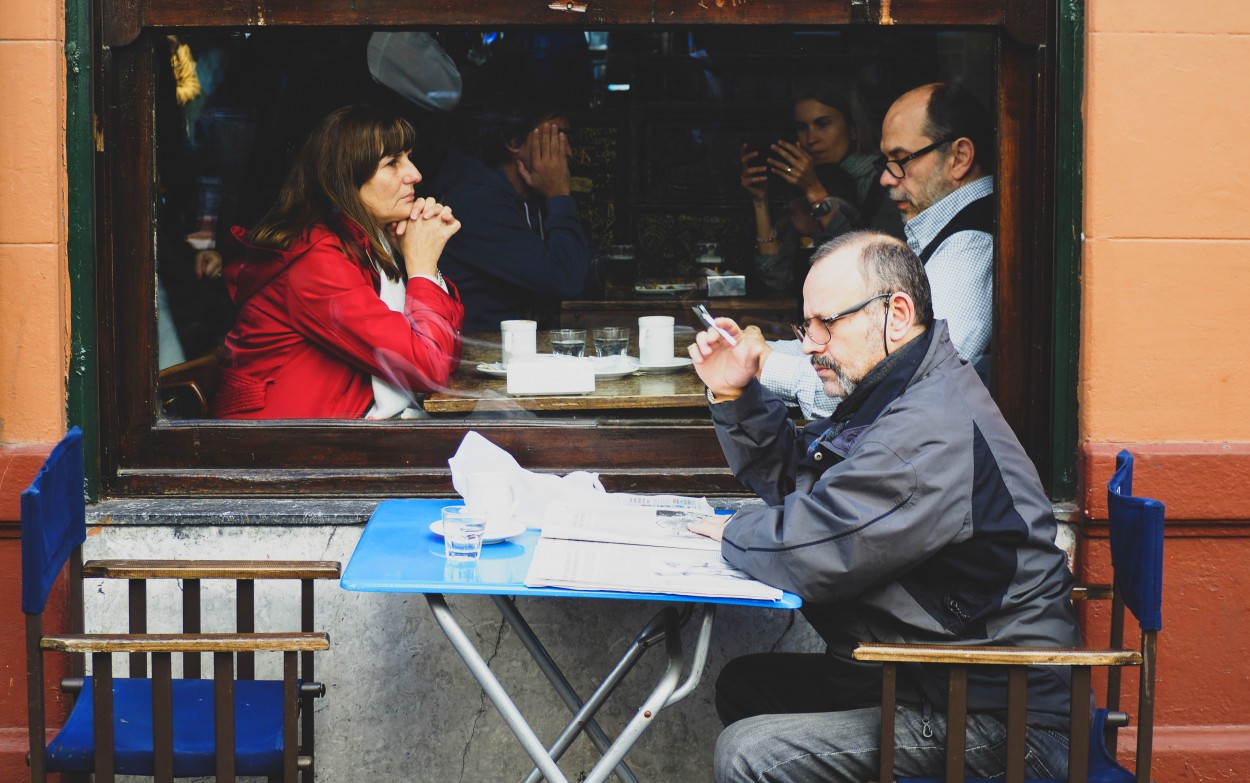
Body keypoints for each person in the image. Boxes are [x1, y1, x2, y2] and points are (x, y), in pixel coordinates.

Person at [686, 230, 1081, 782]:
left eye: (828, 323)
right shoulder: (899, 392)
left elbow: (817, 551)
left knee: (750, 752)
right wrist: (735, 395)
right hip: (930, 675)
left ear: (896, 313)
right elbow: (805, 483)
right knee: (748, 686)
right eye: (807, 326)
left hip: (1002, 722)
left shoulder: (926, 427)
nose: (809, 344)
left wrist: (730, 530)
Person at [753, 81, 995, 420]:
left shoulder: (970, 247)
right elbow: (867, 351)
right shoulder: (949, 231)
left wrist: (766, 366)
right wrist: (757, 352)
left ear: (960, 157)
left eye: (900, 159)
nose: (886, 178)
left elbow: (902, 385)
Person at [213, 104, 464, 419]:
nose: (415, 175)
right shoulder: (315, 260)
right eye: (392, 163)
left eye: (409, 158)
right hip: (277, 451)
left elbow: (444, 353)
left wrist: (416, 259)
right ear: (346, 180)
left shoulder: (365, 245)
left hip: (326, 434)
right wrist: (422, 270)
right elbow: (429, 367)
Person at [432, 91, 595, 332]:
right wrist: (559, 196)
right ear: (514, 141)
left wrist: (542, 293)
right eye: (558, 137)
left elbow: (582, 273)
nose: (569, 151)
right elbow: (566, 279)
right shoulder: (476, 202)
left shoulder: (527, 196)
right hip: (478, 357)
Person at [743, 76, 902, 299]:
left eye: (823, 124)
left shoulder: (884, 180)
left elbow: (866, 269)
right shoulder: (800, 180)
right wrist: (760, 200)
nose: (811, 138)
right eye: (801, 127)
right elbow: (776, 276)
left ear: (853, 129)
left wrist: (815, 192)